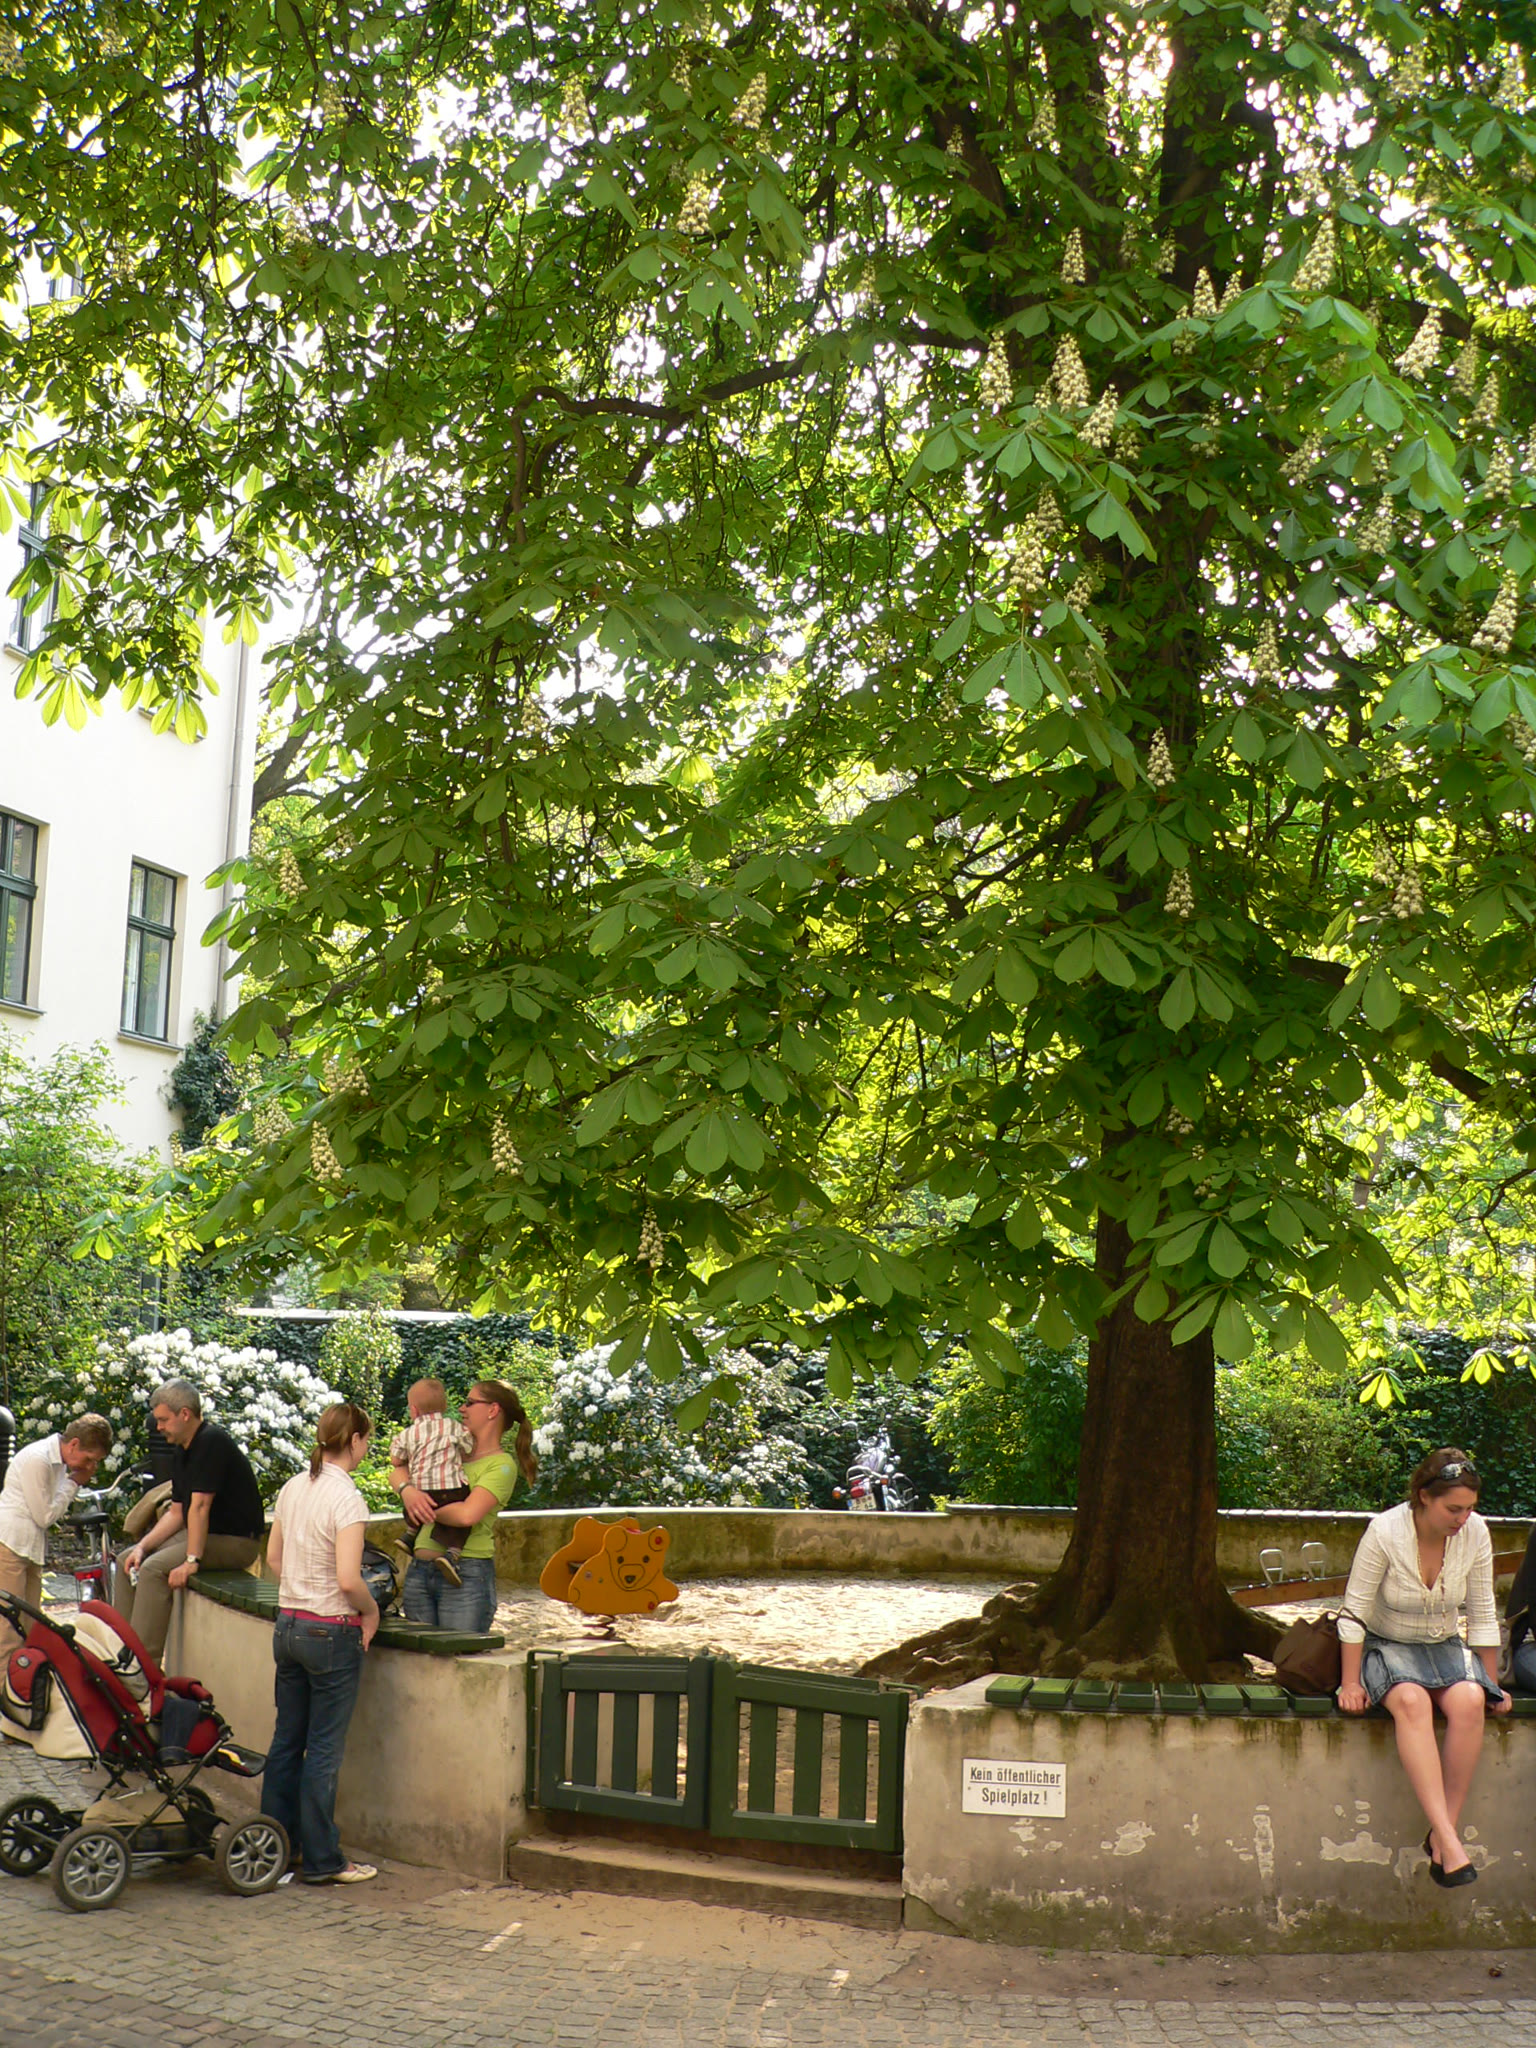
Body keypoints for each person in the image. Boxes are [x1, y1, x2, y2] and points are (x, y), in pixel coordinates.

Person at [1336, 1447, 1509, 1887]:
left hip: (1443, 1645)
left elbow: (1483, 1613)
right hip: (1386, 1643)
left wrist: (1492, 1683)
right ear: (1424, 1497)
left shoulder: (1476, 1532)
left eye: (1469, 1508)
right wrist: (1350, 1682)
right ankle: (1450, 1842)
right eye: (1454, 1509)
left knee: (1471, 1699)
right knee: (1412, 1702)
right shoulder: (1384, 1531)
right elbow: (1353, 1613)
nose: (1463, 1518)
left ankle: (1440, 1835)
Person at [260, 1401, 379, 1886]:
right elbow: (349, 1580)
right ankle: (323, 1858)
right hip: (330, 1632)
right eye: (367, 1439)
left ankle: (275, 1847)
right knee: (323, 1748)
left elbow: (273, 1558)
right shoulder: (347, 1498)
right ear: (354, 1440)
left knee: (286, 1741)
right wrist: (371, 1611)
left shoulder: (293, 1487)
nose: (367, 1448)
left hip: (287, 1625)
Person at [114, 1379, 264, 1660]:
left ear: (184, 1414)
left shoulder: (211, 1442)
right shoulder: (182, 1449)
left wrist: (191, 1561)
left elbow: (199, 1508)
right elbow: (176, 1513)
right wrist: (142, 1547)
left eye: (163, 1420)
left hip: (236, 1542)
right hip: (205, 1534)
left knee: (154, 1569)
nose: (158, 1427)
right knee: (127, 1561)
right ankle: (116, 1649)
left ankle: (142, 1664)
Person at [388, 1380, 537, 1634]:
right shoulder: (448, 1447)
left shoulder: (501, 1465)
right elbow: (397, 1470)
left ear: (492, 1410)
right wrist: (408, 1491)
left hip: (465, 1573)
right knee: (419, 1655)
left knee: (459, 1653)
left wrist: (420, 1505)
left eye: (470, 1402)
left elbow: (467, 1515)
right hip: (419, 1572)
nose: (461, 1409)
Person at [0, 1415, 113, 1655]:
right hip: (10, 1545)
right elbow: (45, 1516)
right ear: (73, 1444)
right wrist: (73, 1483)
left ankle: (26, 1674)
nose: (90, 1467)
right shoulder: (38, 1459)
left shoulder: (59, 1462)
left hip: (30, 1547)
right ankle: (4, 1678)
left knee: (30, 1623)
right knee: (8, 1626)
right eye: (89, 1459)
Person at [389, 1378, 473, 1586]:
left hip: (420, 1492)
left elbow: (396, 1460)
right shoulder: (453, 1427)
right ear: (444, 1407)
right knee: (463, 1515)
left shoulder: (408, 1433)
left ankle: (410, 1534)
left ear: (414, 1410)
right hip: (451, 1491)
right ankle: (452, 1554)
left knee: (415, 1508)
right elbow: (468, 1447)